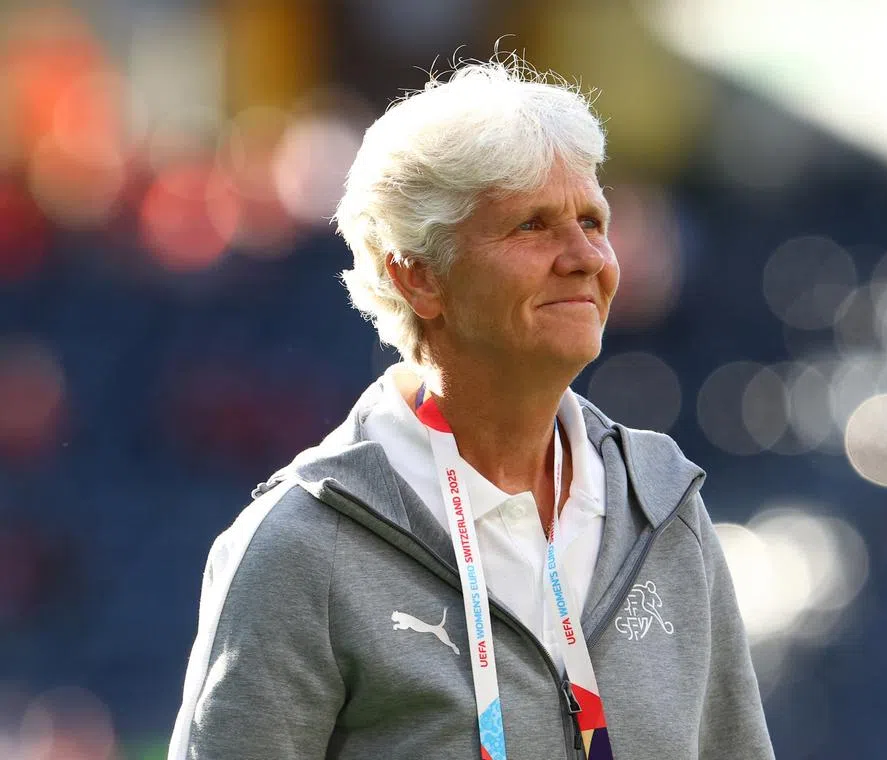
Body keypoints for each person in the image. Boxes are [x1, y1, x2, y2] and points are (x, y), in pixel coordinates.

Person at [168, 58, 775, 760]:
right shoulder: (302, 546)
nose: (585, 256)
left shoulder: (664, 507)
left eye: (592, 220)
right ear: (417, 275)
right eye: (532, 227)